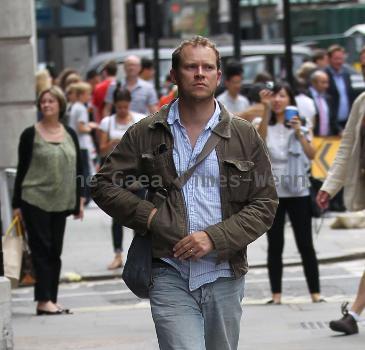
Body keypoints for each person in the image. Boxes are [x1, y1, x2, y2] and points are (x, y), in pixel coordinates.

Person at [91, 36, 278, 350]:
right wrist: (149, 216)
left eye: (208, 67)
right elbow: (102, 184)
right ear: (174, 76)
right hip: (168, 270)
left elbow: (265, 203)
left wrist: (214, 237)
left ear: (218, 75)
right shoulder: (146, 132)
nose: (200, 73)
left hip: (224, 273)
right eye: (191, 67)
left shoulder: (243, 134)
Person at [12, 86, 84, 315]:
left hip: (61, 201)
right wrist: (16, 204)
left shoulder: (70, 133)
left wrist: (80, 199)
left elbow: (78, 167)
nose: (46, 105)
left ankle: (51, 298)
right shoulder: (30, 134)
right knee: (41, 249)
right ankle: (43, 300)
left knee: (55, 250)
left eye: (51, 101)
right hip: (34, 199)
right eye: (43, 102)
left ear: (60, 105)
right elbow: (22, 169)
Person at [258, 83, 323, 304]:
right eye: (274, 96)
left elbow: (312, 154)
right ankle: (276, 295)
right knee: (275, 245)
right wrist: (265, 110)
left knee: (305, 244)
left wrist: (298, 132)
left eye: (282, 96)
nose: (277, 100)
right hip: (273, 192)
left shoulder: (302, 124)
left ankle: (315, 293)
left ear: (290, 100)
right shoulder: (264, 123)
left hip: (299, 191)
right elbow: (259, 145)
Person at [317, 91, 365, 335]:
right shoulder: (361, 101)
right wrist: (329, 186)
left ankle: (354, 314)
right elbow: (346, 147)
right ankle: (354, 315)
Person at [98, 88, 145, 269]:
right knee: (117, 217)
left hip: (137, 175)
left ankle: (137, 255)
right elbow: (101, 150)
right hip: (116, 176)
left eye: (125, 107)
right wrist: (112, 143)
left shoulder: (139, 119)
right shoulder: (107, 123)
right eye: (119, 107)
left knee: (139, 215)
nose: (123, 110)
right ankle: (118, 254)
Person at [68, 82, 98, 204]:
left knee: (81, 170)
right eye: (87, 94)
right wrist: (90, 127)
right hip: (82, 144)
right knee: (85, 171)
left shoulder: (75, 106)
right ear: (81, 95)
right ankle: (85, 196)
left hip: (77, 143)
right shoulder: (81, 108)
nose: (89, 97)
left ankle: (82, 195)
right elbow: (81, 127)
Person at [325, 45, 354, 131]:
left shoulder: (346, 74)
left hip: (347, 121)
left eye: (341, 58)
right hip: (332, 123)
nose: (339, 62)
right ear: (329, 59)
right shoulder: (324, 76)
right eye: (336, 59)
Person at [308, 70, 339, 136]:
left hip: (327, 139)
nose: (326, 86)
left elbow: (332, 121)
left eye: (327, 82)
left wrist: (340, 131)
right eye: (323, 82)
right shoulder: (307, 97)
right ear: (314, 83)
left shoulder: (328, 98)